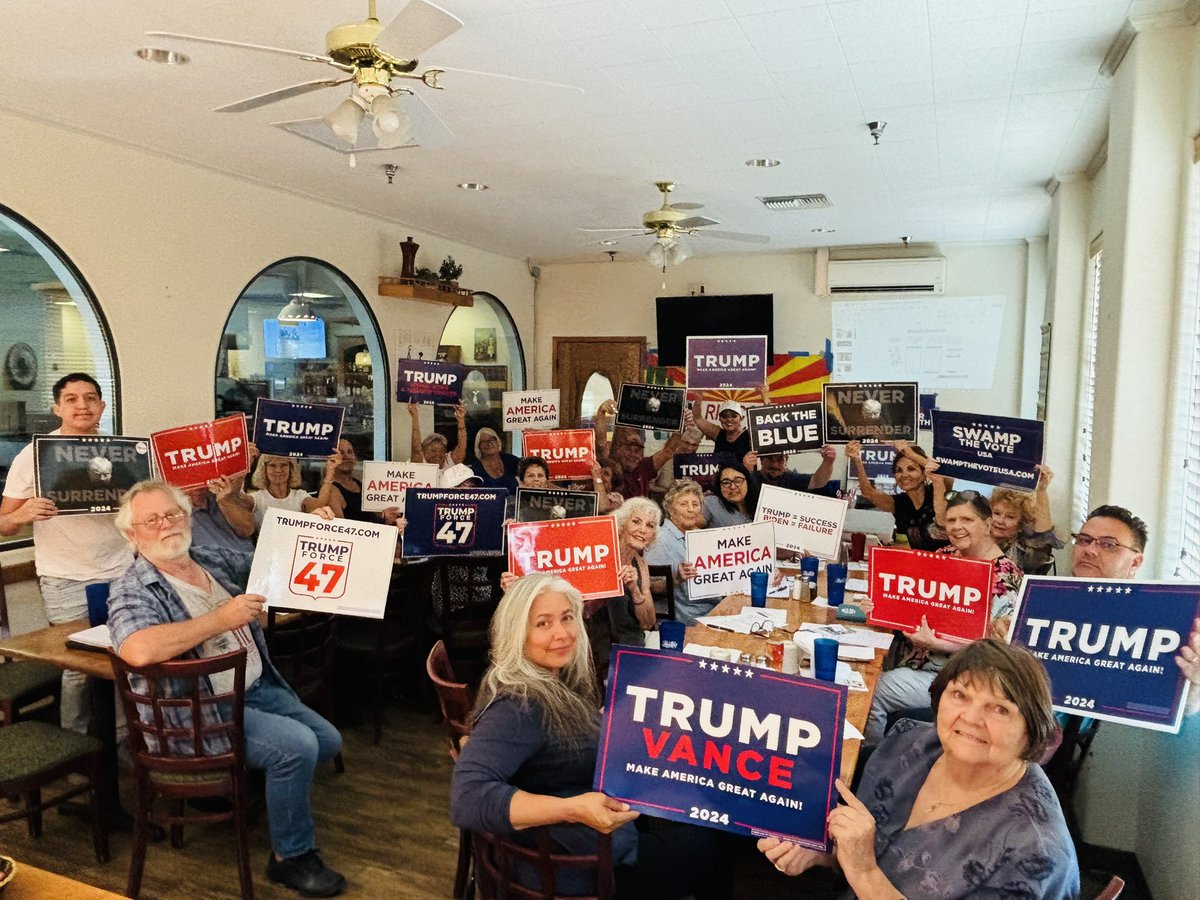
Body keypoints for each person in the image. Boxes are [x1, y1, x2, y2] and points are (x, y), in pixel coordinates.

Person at [107, 481, 345, 897]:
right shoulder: (132, 587)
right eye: (152, 520)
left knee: (327, 740)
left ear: (187, 518)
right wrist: (222, 618)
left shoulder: (208, 559)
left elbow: (273, 559)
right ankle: (290, 858)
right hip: (199, 712)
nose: (166, 524)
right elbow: (137, 648)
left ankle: (255, 787)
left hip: (255, 687)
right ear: (132, 533)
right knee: (298, 747)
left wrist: (315, 530)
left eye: (173, 514)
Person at [451, 573, 729, 899]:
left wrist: (606, 722)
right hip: (577, 869)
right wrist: (572, 808)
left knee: (696, 805)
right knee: (714, 836)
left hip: (593, 841)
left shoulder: (552, 679)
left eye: (567, 617)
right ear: (517, 632)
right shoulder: (518, 705)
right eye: (543, 623)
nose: (562, 633)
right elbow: (467, 798)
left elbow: (558, 744)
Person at [759, 639, 1079, 899]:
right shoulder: (910, 744)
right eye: (960, 694)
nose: (971, 718)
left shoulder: (1035, 853)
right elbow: (873, 852)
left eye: (999, 709)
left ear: (1031, 730)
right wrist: (822, 852)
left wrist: (865, 872)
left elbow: (867, 866)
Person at [0, 372, 133, 733]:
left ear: (102, 406)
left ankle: (123, 741)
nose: (82, 406)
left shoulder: (121, 452)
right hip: (66, 579)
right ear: (57, 408)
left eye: (90, 398)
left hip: (122, 571)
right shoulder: (34, 455)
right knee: (77, 667)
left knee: (127, 656)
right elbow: (4, 524)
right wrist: (23, 514)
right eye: (71, 399)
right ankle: (77, 744)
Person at [864, 493, 1022, 744]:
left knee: (871, 690)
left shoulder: (1005, 576)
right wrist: (880, 605)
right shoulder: (946, 553)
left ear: (987, 524)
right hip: (911, 658)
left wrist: (938, 644)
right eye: (951, 520)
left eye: (967, 519)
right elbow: (915, 601)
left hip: (959, 676)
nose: (957, 526)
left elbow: (997, 649)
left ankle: (870, 756)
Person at [1069, 505, 1200, 717]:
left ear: (1135, 563)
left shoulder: (1161, 626)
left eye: (1109, 545)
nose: (1090, 550)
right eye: (1084, 540)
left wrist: (1192, 690)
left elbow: (1170, 708)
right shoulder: (1039, 602)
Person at [846, 439, 948, 550]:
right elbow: (868, 492)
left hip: (952, 558)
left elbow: (941, 472)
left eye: (911, 469)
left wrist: (911, 454)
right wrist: (857, 460)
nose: (904, 475)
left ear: (924, 474)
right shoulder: (899, 503)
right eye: (899, 470)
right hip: (920, 559)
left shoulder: (939, 490)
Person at [963, 465, 1062, 575]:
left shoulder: (1023, 553)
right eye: (996, 513)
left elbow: (1043, 538)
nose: (1000, 521)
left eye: (1010, 517)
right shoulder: (971, 540)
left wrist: (1041, 490)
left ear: (1021, 524)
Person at [593, 400, 698, 500]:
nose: (633, 455)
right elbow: (601, 444)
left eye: (638, 451)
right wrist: (601, 412)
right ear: (619, 450)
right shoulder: (612, 465)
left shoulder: (644, 467)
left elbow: (668, 451)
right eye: (629, 449)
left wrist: (681, 425)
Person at [643, 479, 709, 623]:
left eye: (695, 504)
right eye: (683, 504)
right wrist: (676, 579)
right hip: (687, 618)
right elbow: (649, 585)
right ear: (669, 509)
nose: (691, 509)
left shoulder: (698, 535)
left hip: (710, 608)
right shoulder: (659, 539)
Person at [244, 449, 338, 530]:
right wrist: (245, 463)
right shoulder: (256, 498)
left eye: (284, 465)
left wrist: (330, 472)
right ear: (264, 469)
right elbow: (236, 500)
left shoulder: (299, 495)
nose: (278, 470)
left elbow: (319, 506)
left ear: (291, 468)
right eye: (272, 465)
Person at [185, 475, 255, 552]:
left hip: (252, 555)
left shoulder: (220, 495)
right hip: (222, 559)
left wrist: (226, 501)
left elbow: (248, 530)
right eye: (191, 484)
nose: (197, 490)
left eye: (200, 483)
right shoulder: (181, 516)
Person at [743, 445, 837, 496]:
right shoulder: (751, 478)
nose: (775, 465)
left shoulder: (789, 477)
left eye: (779, 459)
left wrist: (828, 462)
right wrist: (746, 470)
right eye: (770, 459)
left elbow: (817, 481)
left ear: (786, 460)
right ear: (761, 461)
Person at [408, 400, 467, 469]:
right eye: (433, 451)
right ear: (424, 451)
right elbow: (416, 447)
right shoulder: (420, 461)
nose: (438, 454)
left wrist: (461, 419)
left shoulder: (448, 461)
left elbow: (461, 448)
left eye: (442, 451)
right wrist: (414, 416)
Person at [325, 439, 373, 522]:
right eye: (341, 453)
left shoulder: (362, 485)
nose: (346, 456)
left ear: (355, 458)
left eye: (350, 452)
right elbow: (339, 526)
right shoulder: (331, 490)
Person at [703, 462, 760, 527]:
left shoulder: (760, 502)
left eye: (738, 481)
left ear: (747, 482)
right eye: (726, 482)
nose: (733, 487)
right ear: (719, 486)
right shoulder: (710, 503)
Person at [470, 427, 520, 494]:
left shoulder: (510, 460)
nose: (489, 444)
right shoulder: (475, 468)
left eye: (492, 440)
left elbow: (527, 471)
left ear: (497, 442)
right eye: (484, 441)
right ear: (479, 446)